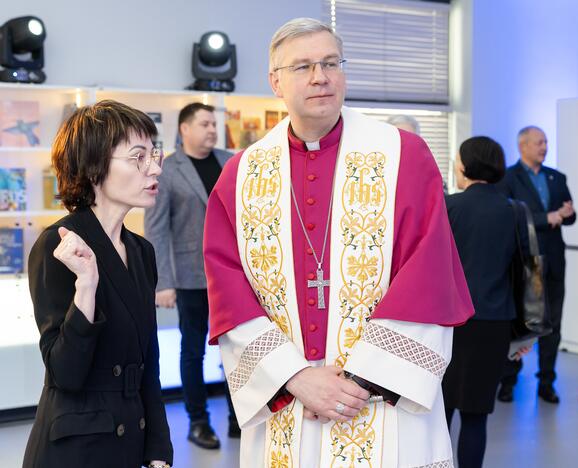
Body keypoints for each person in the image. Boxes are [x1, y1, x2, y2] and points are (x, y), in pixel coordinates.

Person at [203, 17, 473, 467]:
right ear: (275, 81)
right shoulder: (242, 173)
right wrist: (295, 377)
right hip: (291, 402)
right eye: (303, 66)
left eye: (331, 62)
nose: (320, 76)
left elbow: (429, 272)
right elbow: (227, 288)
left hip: (381, 402)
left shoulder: (402, 155)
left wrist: (358, 380)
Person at [22, 100, 173, 468]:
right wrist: (86, 286)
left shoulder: (141, 251)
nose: (154, 168)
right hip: (76, 448)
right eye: (137, 157)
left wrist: (159, 449)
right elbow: (65, 374)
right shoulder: (58, 245)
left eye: (154, 154)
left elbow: (148, 361)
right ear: (94, 167)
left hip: (129, 442)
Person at [144, 102, 237, 449]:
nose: (212, 129)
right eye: (205, 124)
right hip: (189, 276)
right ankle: (199, 422)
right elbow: (156, 229)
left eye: (214, 124)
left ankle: (237, 418)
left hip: (233, 275)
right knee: (193, 351)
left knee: (237, 348)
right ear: (184, 129)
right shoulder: (166, 169)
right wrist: (162, 281)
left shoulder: (231, 161)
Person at [443, 136, 530, 468]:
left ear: (464, 166)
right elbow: (525, 274)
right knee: (476, 417)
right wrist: (524, 333)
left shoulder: (448, 207)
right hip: (494, 325)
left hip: (448, 324)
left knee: (441, 412)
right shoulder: (514, 211)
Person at [495, 126, 576, 404]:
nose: (544, 147)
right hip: (523, 262)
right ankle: (508, 380)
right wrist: (548, 218)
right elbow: (507, 215)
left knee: (552, 325)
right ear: (523, 146)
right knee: (517, 322)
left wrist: (567, 214)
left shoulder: (556, 177)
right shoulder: (507, 178)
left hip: (554, 262)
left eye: (546, 142)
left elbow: (570, 216)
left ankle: (547, 382)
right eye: (539, 142)